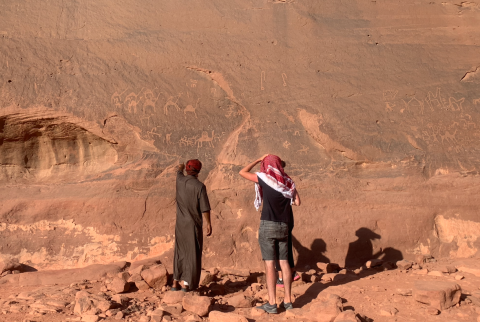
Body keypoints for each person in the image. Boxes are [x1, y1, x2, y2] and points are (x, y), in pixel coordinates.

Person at [239, 154, 301, 314]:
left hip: (268, 224)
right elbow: (298, 202)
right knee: (284, 262)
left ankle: (272, 303)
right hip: (284, 225)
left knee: (269, 264)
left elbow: (242, 172)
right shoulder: (288, 182)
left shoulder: (265, 179)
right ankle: (288, 301)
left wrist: (258, 159)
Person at [172, 159, 212, 292]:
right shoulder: (200, 186)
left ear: (187, 169)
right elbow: (205, 208)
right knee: (192, 253)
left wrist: (180, 167)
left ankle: (175, 283)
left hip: (180, 225)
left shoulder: (179, 181)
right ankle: (187, 284)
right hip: (193, 225)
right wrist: (208, 223)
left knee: (179, 251)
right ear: (198, 171)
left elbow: (178, 171)